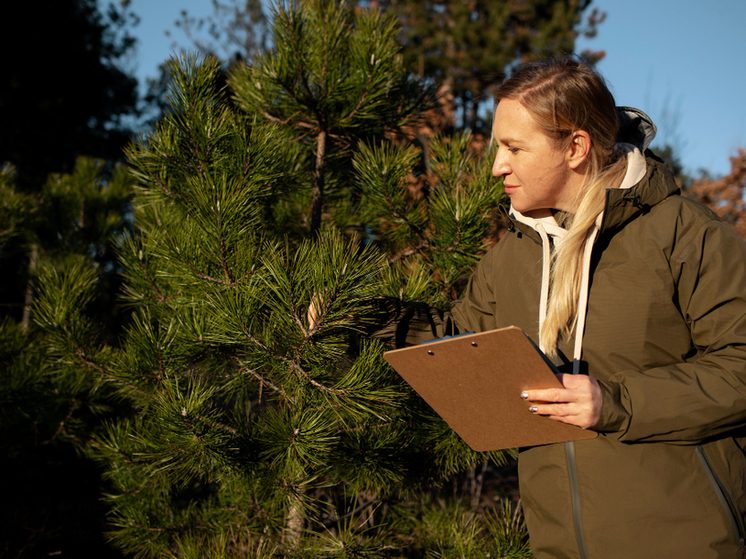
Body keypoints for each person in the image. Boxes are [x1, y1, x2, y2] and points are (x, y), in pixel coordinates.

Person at [373, 57, 746, 558]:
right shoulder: (513, 255)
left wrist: (616, 402)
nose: (497, 164)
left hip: (684, 542)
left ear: (575, 147)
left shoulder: (682, 233)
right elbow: (457, 338)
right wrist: (361, 314)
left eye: (514, 148)